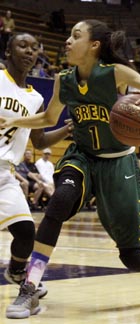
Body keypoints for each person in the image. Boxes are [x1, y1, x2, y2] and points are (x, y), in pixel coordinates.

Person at [0, 20, 140, 319]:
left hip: (118, 163)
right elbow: (47, 118)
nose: (67, 41)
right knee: (58, 205)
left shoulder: (115, 73)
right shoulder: (63, 79)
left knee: (133, 257)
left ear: (94, 45)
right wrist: (15, 121)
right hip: (81, 157)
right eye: (68, 35)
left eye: (75, 36)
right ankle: (29, 287)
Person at [0, 32, 73, 303]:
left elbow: (40, 139)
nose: (30, 52)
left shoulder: (35, 99)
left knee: (26, 232)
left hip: (5, 172)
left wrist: (67, 129)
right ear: (8, 51)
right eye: (22, 46)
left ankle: (17, 272)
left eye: (34, 48)